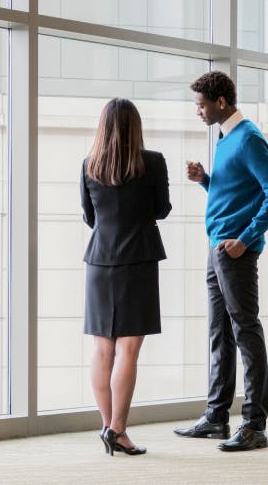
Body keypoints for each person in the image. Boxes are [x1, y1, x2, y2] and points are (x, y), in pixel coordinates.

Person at [173, 70, 268, 451]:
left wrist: (247, 238)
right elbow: (238, 192)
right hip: (217, 248)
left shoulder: (248, 138)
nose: (198, 112)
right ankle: (216, 417)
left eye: (201, 105)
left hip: (235, 250)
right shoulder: (226, 139)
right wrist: (206, 180)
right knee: (219, 332)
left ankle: (255, 425)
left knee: (245, 331)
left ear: (221, 102)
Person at [80, 97, 171, 457]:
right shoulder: (153, 162)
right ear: (136, 126)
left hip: (100, 263)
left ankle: (107, 426)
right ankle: (118, 430)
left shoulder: (89, 165)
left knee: (103, 348)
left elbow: (90, 217)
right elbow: (162, 210)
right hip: (139, 260)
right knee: (128, 350)